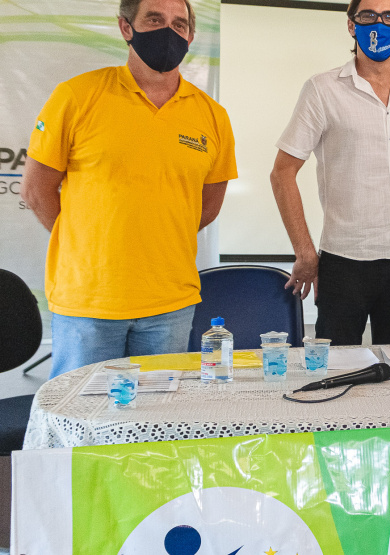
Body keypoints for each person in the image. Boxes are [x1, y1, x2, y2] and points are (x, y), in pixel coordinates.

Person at [21, 0, 237, 379]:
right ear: (126, 27)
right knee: (82, 419)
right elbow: (37, 192)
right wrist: (89, 244)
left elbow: (208, 204)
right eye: (154, 19)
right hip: (89, 302)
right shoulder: (76, 96)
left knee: (155, 422)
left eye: (179, 24)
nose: (169, 31)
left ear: (190, 35)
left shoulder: (212, 116)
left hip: (170, 302)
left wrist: (155, 241)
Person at [271, 0, 390, 346]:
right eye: (368, 16)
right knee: (334, 372)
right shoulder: (322, 89)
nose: (379, 24)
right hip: (343, 264)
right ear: (352, 25)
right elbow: (282, 173)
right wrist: (305, 252)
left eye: (389, 16)